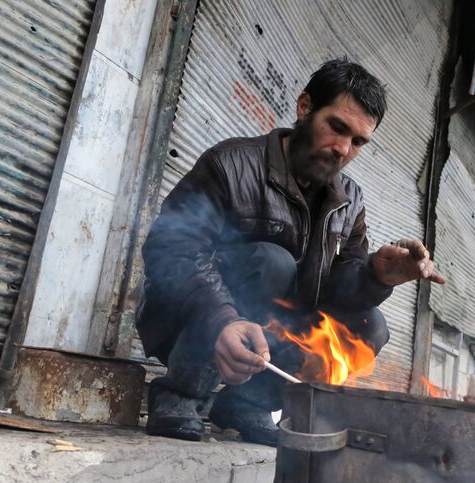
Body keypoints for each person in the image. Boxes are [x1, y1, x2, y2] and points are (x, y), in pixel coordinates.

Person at [136, 59, 445, 445]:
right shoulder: (231, 164)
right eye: (337, 128)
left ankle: (247, 403)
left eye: (359, 142)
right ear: (304, 108)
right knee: (272, 263)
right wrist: (220, 320)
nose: (343, 150)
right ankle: (182, 393)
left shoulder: (350, 201)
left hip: (274, 333)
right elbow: (170, 250)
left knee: (371, 325)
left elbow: (337, 296)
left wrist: (375, 276)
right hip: (195, 319)